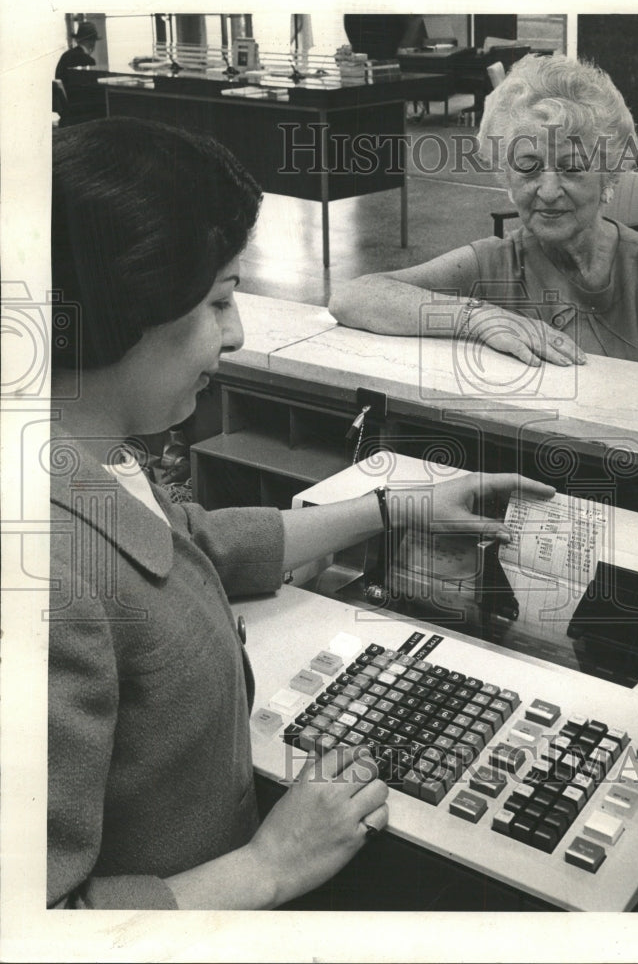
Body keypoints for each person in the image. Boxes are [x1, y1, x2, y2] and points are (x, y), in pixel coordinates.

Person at [48, 116, 555, 910]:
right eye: (218, 301)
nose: (238, 333)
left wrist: (397, 508)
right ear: (130, 308)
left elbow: (185, 545)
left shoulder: (77, 454)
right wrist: (269, 866)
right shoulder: (49, 586)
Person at [329, 54, 638, 379]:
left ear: (608, 175)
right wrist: (479, 317)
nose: (547, 191)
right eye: (527, 168)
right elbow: (352, 297)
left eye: (572, 168)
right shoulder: (491, 264)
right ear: (506, 175)